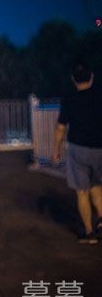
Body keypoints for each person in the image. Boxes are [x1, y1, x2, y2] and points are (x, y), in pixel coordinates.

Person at [52, 64, 102, 244]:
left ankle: (89, 233)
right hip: (99, 148)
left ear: (74, 80)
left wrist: (56, 151)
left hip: (78, 148)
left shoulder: (70, 99)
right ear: (92, 77)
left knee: (82, 191)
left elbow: (60, 128)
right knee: (97, 186)